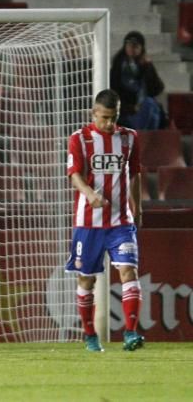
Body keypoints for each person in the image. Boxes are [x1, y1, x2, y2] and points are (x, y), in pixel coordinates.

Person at [65, 89, 144, 353]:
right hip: (88, 223)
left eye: (114, 118)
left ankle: (131, 333)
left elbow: (135, 174)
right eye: (105, 118)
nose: (110, 124)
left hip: (121, 221)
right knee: (87, 280)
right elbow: (74, 174)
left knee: (128, 271)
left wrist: (138, 207)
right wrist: (88, 194)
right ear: (94, 113)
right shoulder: (79, 139)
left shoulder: (130, 138)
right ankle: (89, 335)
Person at [110, 31, 166, 130]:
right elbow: (113, 95)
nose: (132, 49)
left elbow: (157, 89)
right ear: (125, 47)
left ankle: (144, 139)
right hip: (125, 114)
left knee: (151, 105)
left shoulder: (145, 66)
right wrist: (131, 108)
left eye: (136, 46)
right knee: (150, 105)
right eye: (130, 45)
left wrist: (149, 67)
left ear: (141, 49)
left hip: (145, 110)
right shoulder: (117, 68)